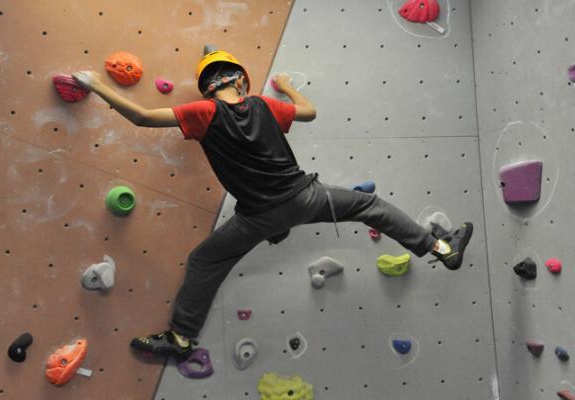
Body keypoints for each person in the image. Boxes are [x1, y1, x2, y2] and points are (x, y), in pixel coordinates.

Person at [72, 49, 473, 360]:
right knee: (370, 206)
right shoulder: (265, 105)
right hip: (306, 197)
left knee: (205, 262)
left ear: (208, 87)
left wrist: (95, 84)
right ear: (241, 82)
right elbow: (310, 112)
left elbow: (142, 117)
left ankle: (180, 337)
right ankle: (439, 247)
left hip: (258, 217)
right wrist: (285, 86)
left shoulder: (202, 113)